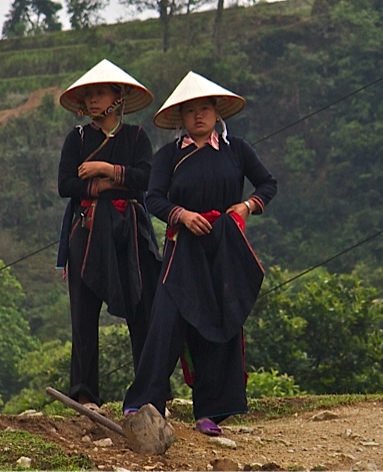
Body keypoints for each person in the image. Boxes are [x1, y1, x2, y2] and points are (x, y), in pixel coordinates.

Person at [122, 71, 278, 436]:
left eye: (204, 109)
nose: (198, 116)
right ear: (181, 118)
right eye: (190, 111)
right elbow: (154, 197)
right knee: (166, 321)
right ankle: (145, 402)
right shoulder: (168, 156)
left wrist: (247, 206)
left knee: (220, 322)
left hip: (224, 247)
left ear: (216, 112)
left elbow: (267, 183)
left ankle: (211, 412)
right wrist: (183, 215)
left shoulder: (236, 149)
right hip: (183, 247)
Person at [56, 59, 162, 411]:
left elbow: (147, 179)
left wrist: (107, 171)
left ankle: (149, 392)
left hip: (130, 230)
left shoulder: (136, 137)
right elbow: (66, 185)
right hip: (86, 231)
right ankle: (85, 394)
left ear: (118, 98)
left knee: (142, 309)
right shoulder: (78, 138)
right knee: (83, 314)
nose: (93, 101)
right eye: (89, 95)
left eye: (100, 93)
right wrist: (107, 187)